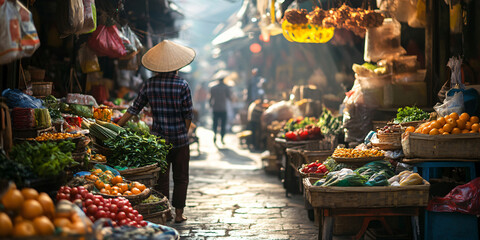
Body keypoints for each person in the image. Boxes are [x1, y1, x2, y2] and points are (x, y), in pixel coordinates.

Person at [116, 40, 195, 223]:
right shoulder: (182, 85)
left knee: (162, 178)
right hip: (180, 140)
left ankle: (164, 212)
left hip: (159, 141)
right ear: (176, 66)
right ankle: (179, 214)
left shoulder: (149, 84)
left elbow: (134, 109)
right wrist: (184, 131)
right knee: (181, 177)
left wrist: (118, 125)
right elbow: (188, 114)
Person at [209, 70, 232, 144]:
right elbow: (229, 97)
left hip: (215, 108)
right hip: (223, 108)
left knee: (215, 124)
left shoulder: (213, 87)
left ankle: (215, 135)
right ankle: (222, 138)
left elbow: (210, 98)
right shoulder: (226, 87)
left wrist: (210, 106)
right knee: (223, 124)